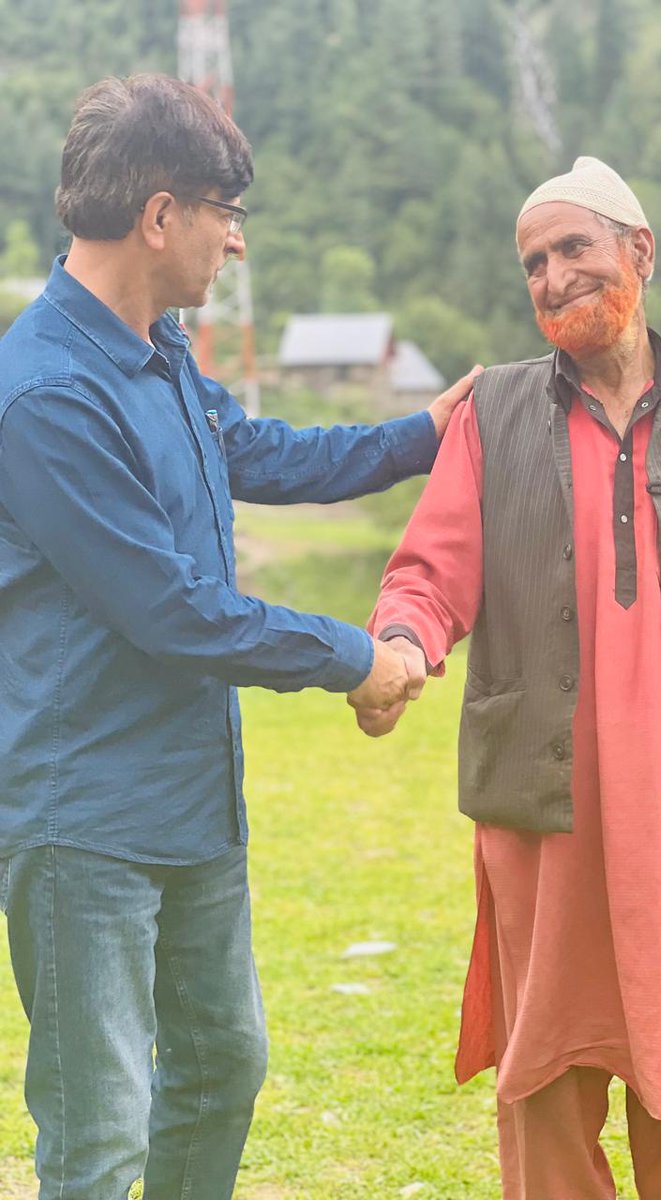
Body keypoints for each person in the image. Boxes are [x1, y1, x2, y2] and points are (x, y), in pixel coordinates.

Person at [0, 73, 477, 1200]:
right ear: (160, 216)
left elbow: (260, 453)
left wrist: (425, 433)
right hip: (85, 825)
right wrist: (358, 656)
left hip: (192, 809)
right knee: (100, 1129)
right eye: (228, 213)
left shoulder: (162, 352)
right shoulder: (46, 394)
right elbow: (168, 612)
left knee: (221, 1069)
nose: (236, 244)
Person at [356, 157, 661, 1199]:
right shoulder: (494, 414)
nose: (553, 276)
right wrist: (400, 644)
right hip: (542, 813)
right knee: (544, 1069)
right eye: (534, 261)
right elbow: (431, 573)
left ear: (640, 252)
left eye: (574, 248)